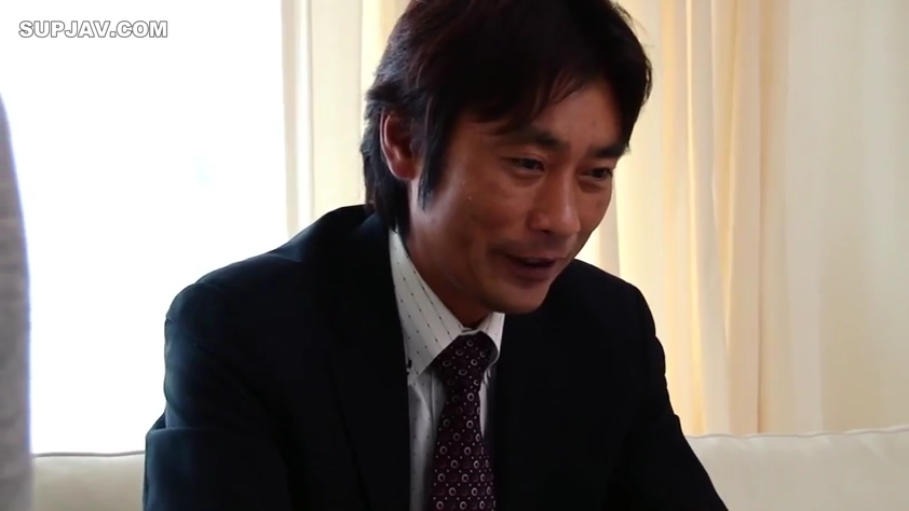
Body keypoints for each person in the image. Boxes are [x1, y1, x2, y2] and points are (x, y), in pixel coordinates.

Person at [143, 0, 728, 509]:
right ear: (404, 141)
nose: (564, 220)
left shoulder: (608, 332)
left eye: (596, 173)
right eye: (528, 164)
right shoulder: (242, 332)